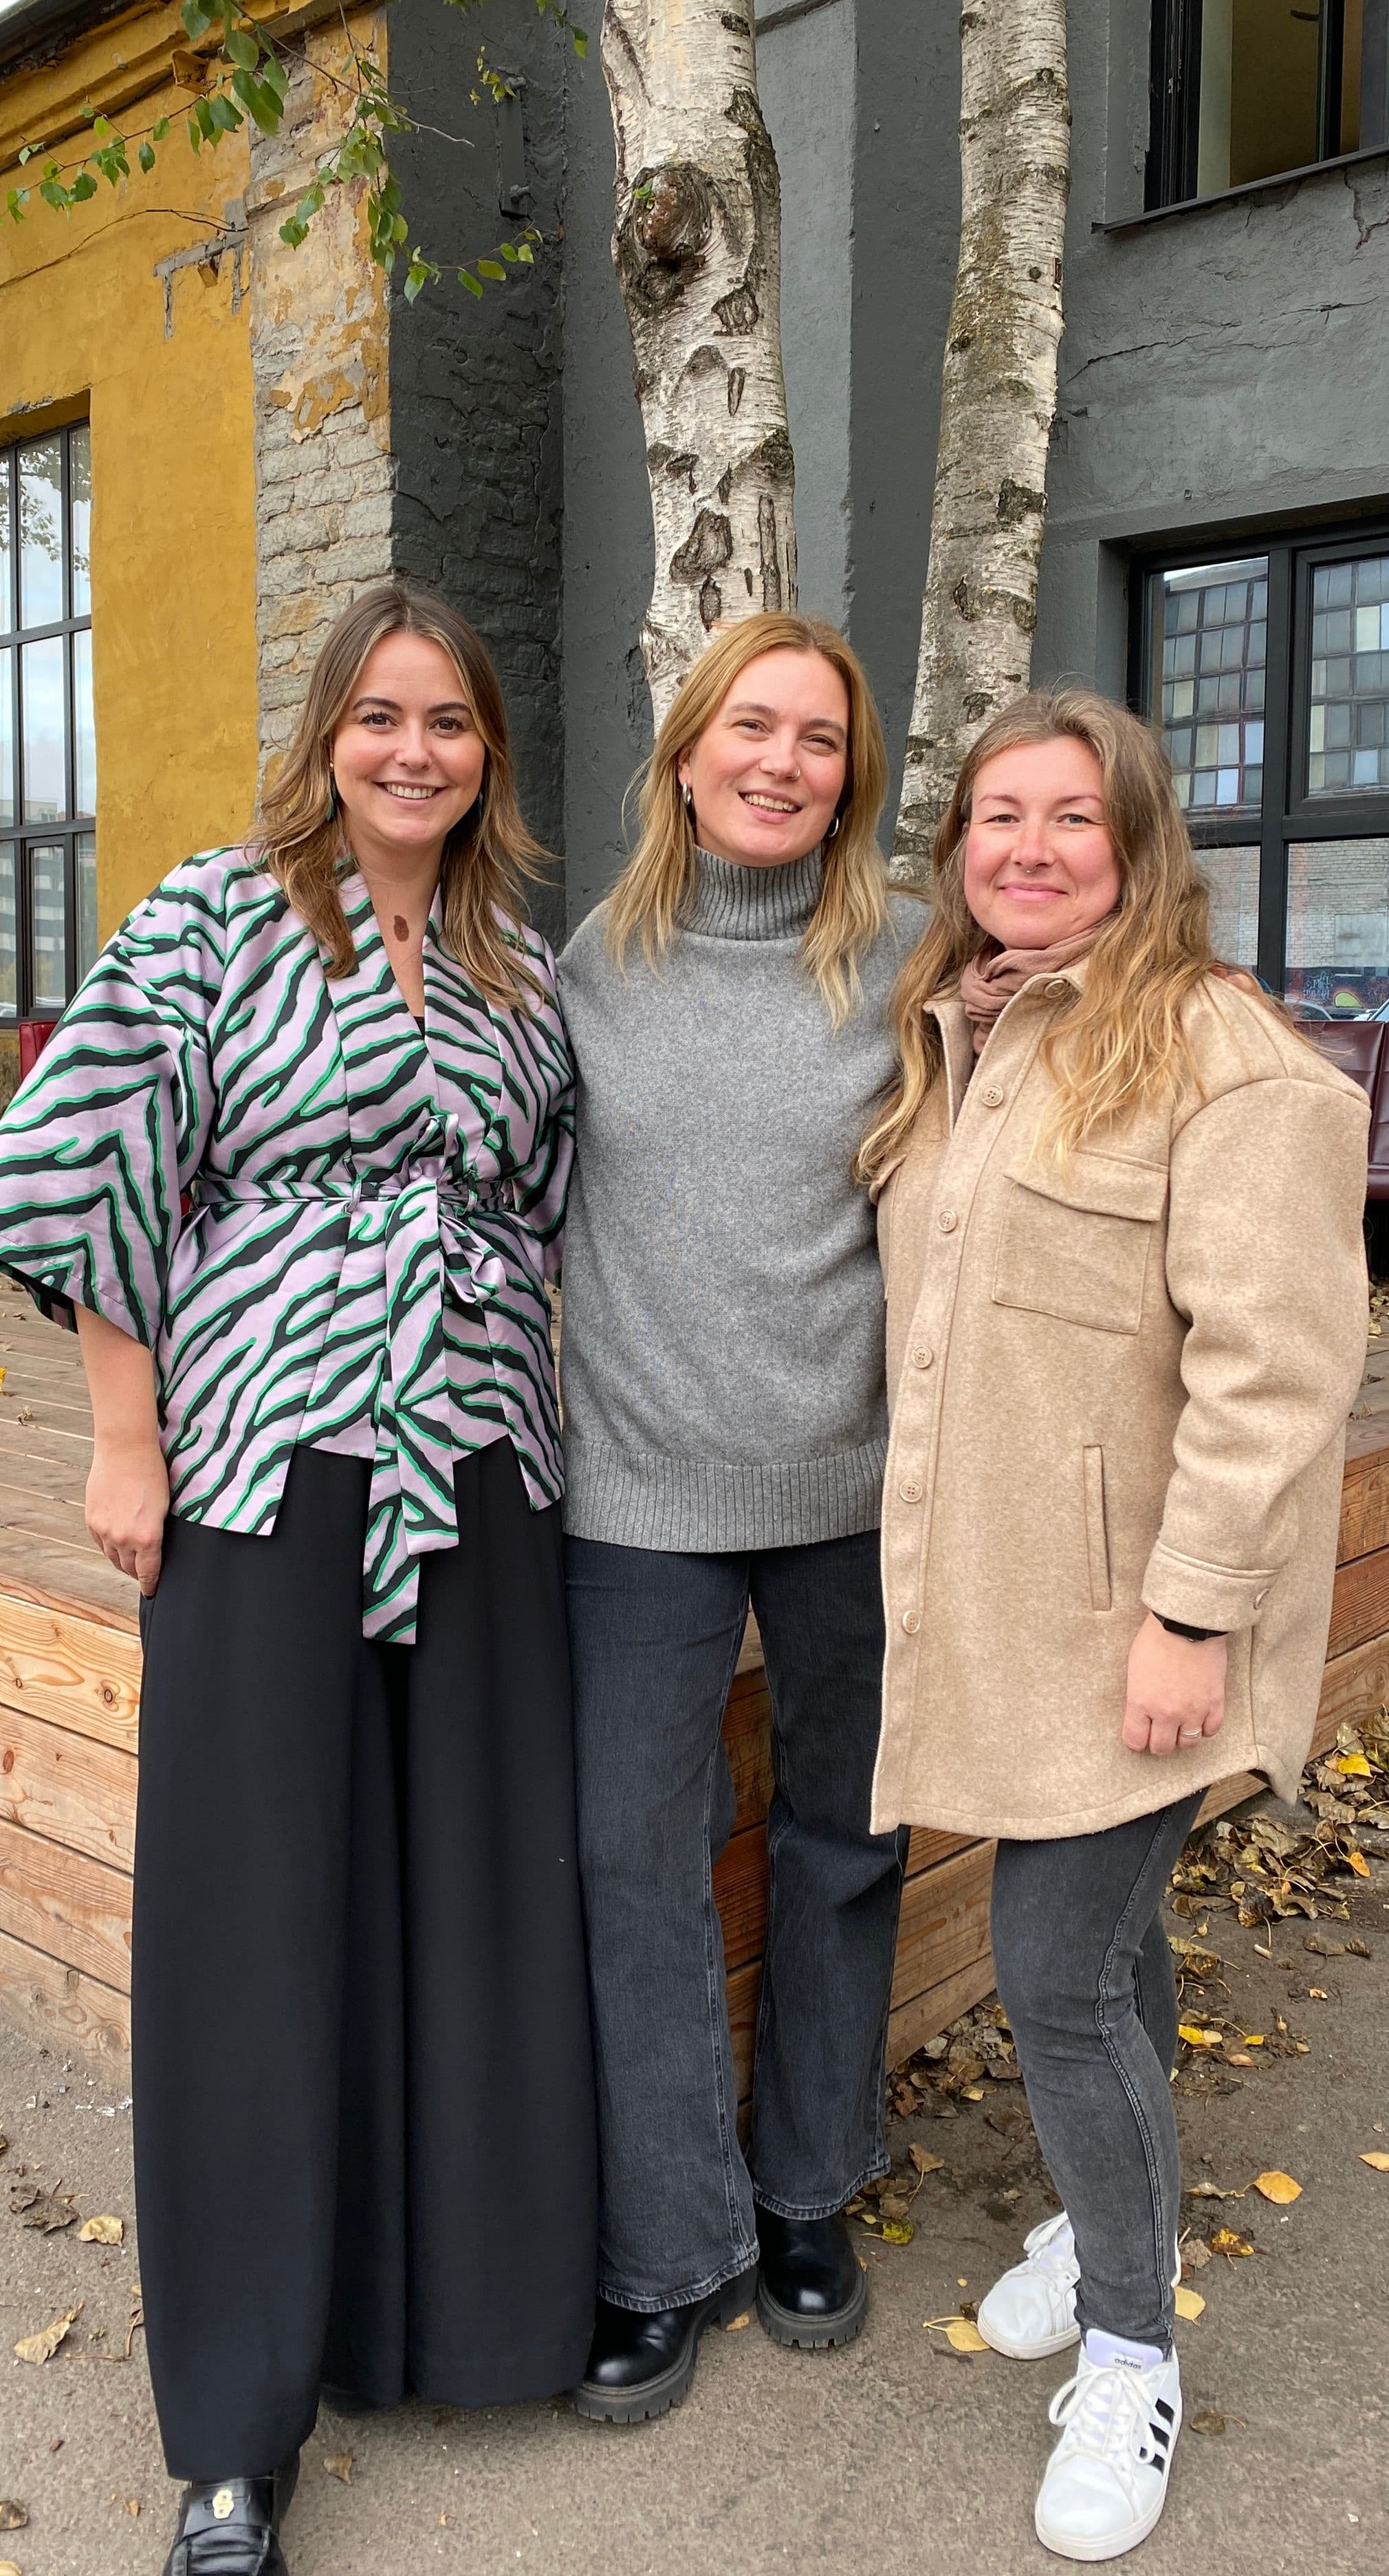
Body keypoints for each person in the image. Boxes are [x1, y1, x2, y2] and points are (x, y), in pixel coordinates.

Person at [0, 582, 595, 2576]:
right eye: (380, 716)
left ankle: (453, 2320)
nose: (414, 751)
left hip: (480, 1455)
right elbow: (94, 1171)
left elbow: (556, 1204)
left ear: (488, 756)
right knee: (252, 1918)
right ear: (326, 736)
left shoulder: (517, 963)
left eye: (450, 723)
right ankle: (233, 2433)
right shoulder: (212, 921)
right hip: (260, 1451)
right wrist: (122, 1438)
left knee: (471, 1890)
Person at [856, 689, 1368, 2563]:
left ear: (1139, 846)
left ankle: (1135, 2351)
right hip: (1010, 1599)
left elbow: (1275, 1376)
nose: (1032, 849)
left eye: (1074, 817)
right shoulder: (970, 1033)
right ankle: (1101, 2224)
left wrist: (1190, 1617)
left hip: (1144, 1623)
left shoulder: (1227, 1061)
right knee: (1106, 1944)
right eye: (999, 816)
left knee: (1057, 1971)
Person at [558, 610, 919, 2425]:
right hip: (635, 1487)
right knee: (630, 1859)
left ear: (850, 780)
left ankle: (806, 2191)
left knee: (845, 1840)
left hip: (852, 1485)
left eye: (819, 740)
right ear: (686, 753)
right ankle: (666, 2242)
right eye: (751, 728)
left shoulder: (913, 964)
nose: (783, 762)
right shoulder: (587, 968)